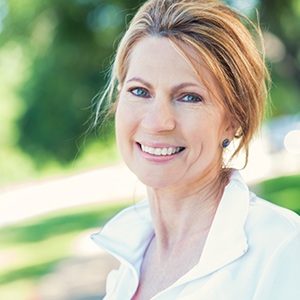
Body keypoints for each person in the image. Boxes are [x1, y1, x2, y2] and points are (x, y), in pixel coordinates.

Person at [91, 0, 300, 299]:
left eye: (189, 97)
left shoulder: (282, 248)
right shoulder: (127, 264)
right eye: (139, 91)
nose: (157, 122)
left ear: (232, 120)